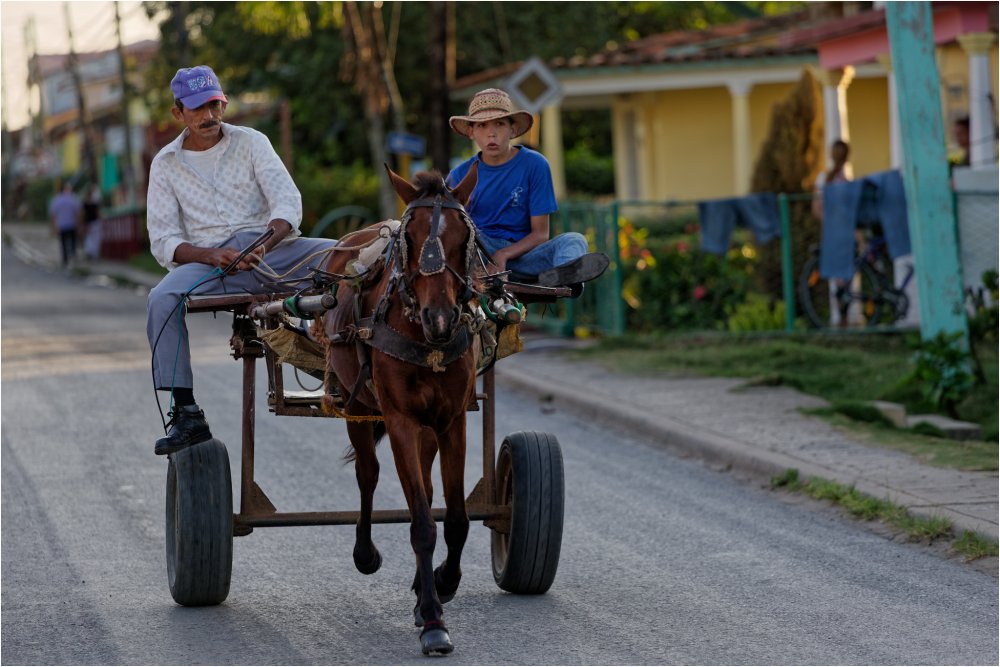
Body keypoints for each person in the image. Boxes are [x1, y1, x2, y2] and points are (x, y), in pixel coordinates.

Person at [146, 65, 337, 456]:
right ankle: (186, 413)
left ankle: (362, 364)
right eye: (198, 108)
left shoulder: (252, 142)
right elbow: (164, 239)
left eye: (215, 105)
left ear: (224, 104)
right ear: (177, 112)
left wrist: (266, 242)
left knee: (352, 258)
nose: (209, 116)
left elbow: (287, 202)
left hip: (276, 251)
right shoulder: (165, 164)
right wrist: (210, 255)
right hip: (213, 266)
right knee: (161, 300)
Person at [445, 88, 608, 291]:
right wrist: (488, 255)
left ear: (513, 130)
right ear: (471, 132)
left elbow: (540, 233)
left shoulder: (535, 164)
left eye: (499, 124)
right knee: (465, 233)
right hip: (480, 255)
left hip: (526, 257)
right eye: (482, 125)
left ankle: (566, 278)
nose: (491, 133)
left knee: (574, 240)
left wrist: (503, 254)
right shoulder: (459, 174)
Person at [49, 181, 82, 266]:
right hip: (71, 224)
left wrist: (53, 227)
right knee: (73, 241)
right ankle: (73, 256)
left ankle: (65, 259)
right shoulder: (73, 199)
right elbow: (78, 213)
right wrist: (79, 224)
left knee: (63, 243)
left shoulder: (57, 200)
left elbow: (53, 214)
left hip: (62, 225)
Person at [82, 185, 102, 260]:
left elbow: (83, 214)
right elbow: (97, 213)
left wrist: (82, 223)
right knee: (95, 238)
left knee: (89, 238)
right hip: (94, 222)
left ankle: (89, 252)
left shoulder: (85, 204)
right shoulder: (94, 204)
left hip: (88, 222)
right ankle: (94, 254)